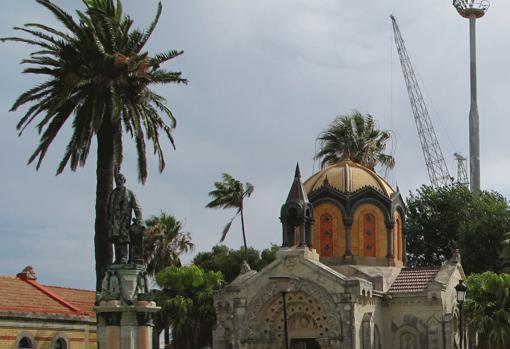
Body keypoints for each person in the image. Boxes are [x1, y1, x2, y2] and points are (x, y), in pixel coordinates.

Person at [107, 172, 143, 263]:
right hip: (114, 220)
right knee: (115, 238)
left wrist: (139, 219)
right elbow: (108, 207)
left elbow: (137, 207)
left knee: (123, 238)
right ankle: (118, 258)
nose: (118, 181)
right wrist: (108, 219)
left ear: (124, 181)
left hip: (124, 220)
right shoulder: (112, 194)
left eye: (120, 179)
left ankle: (124, 257)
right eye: (117, 180)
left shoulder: (129, 193)